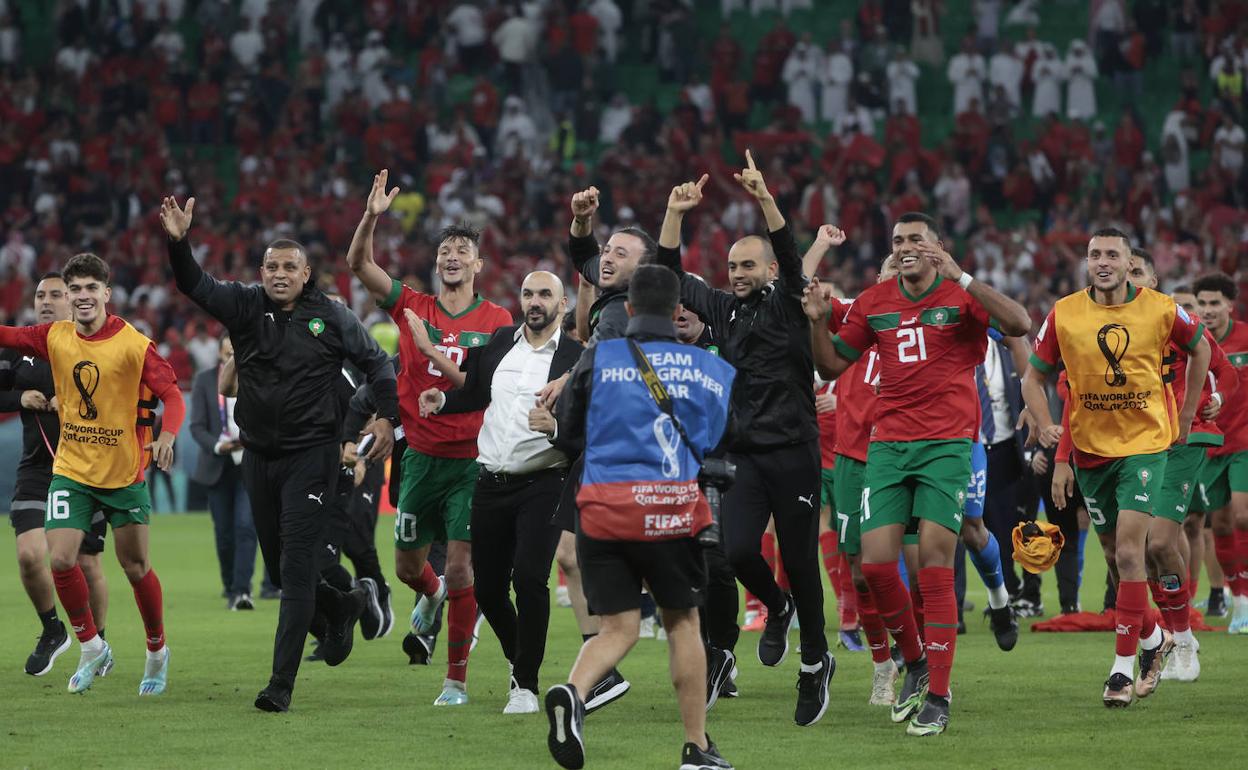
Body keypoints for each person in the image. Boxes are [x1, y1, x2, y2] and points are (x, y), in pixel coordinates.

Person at [163, 196, 397, 713]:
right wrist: (180, 243)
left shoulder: (332, 317)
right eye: (271, 265)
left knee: (293, 573)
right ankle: (345, 605)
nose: (279, 273)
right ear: (261, 272)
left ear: (307, 272)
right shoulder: (245, 306)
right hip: (259, 458)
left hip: (312, 457)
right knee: (283, 565)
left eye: (289, 266)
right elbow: (193, 285)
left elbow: (379, 366)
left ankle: (280, 686)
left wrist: (386, 417)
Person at [805, 211, 1031, 735]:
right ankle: (915, 660)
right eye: (898, 240)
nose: (906, 247)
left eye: (916, 240)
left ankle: (939, 696)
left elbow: (1018, 323)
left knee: (935, 557)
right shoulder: (874, 302)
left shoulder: (962, 296)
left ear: (937, 247)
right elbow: (833, 366)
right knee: (878, 567)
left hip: (947, 447)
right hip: (886, 447)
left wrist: (961, 275)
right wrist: (817, 320)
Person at [659, 156, 834, 729]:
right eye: (731, 266)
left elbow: (787, 250)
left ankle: (814, 661)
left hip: (794, 451)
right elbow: (666, 276)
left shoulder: (787, 301)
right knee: (735, 553)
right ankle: (777, 605)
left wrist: (764, 197)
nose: (736, 273)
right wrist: (673, 215)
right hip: (745, 456)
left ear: (768, 270)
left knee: (802, 561)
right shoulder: (724, 310)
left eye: (747, 265)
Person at [541, 264, 737, 770]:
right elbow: (725, 436)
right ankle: (697, 745)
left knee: (618, 627)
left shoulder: (598, 359)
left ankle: (573, 691)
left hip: (602, 512)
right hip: (669, 510)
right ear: (678, 312)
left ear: (627, 310)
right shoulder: (705, 367)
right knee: (682, 622)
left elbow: (566, 434)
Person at [1021, 229, 1210, 707]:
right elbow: (1034, 376)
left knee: (1131, 552)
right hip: (1090, 451)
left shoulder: (1162, 307)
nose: (1103, 261)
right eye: (1095, 254)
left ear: (1130, 264)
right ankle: (1154, 641)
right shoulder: (1064, 312)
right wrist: (1048, 428)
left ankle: (1121, 671)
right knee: (1113, 555)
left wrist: (1186, 414)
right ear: (1087, 262)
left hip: (1146, 447)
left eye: (1112, 254)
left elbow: (1201, 347)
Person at [344, 170, 511, 706]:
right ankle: (433, 596)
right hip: (419, 460)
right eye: (445, 250)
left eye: (462, 249)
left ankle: (455, 680)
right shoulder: (411, 304)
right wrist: (372, 215)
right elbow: (358, 266)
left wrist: (432, 351)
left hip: (472, 461)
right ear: (436, 263)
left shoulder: (498, 321)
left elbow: (484, 390)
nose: (452, 256)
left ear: (478, 265)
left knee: (462, 566)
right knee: (409, 569)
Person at [0, 254, 186, 697]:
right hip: (72, 471)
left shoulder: (134, 344)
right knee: (61, 559)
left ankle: (157, 651)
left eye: (89, 289)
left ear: (106, 293)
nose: (82, 297)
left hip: (122, 475)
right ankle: (90, 645)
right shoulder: (54, 336)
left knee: (135, 566)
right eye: (75, 289)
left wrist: (169, 436)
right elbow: (7, 334)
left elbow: (172, 395)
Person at [419, 271, 583, 714]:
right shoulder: (499, 344)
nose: (534, 301)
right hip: (490, 481)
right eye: (527, 292)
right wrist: (443, 402)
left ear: (562, 304)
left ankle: (525, 685)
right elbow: (474, 393)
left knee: (529, 578)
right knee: (488, 590)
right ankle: (520, 660)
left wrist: (556, 430)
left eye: (544, 294)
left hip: (544, 481)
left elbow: (590, 432)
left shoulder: (576, 359)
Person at [1127, 252, 1235, 682]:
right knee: (1133, 555)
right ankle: (1171, 635)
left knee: (1158, 543)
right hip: (1132, 444)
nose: (1129, 277)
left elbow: (1225, 372)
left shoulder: (1175, 321)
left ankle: (1185, 639)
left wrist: (1215, 401)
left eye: (1137, 270)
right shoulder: (1109, 326)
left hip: (1183, 441)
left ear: (1153, 278)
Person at [1, 272, 110, 676]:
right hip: (37, 469)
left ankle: (97, 642)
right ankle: (52, 631)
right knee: (30, 557)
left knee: (87, 564)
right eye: (40, 295)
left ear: (74, 302)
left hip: (88, 469)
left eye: (56, 295)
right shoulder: (19, 351)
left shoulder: (93, 345)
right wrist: (19, 397)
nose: (46, 301)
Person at [1189, 272, 1248, 633]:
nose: (1208, 310)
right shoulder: (1191, 339)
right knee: (1221, 524)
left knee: (1242, 516)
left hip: (1244, 443)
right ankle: (1239, 600)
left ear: (1230, 305)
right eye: (1202, 304)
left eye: (1215, 303)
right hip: (1209, 446)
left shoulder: (1245, 336)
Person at [190, 334, 260, 610]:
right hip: (216, 464)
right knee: (224, 533)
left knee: (246, 526)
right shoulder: (205, 380)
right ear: (219, 353)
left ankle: (243, 591)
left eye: (236, 351)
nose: (231, 357)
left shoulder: (256, 374)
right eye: (227, 352)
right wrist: (219, 446)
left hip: (249, 462)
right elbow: (196, 426)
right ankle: (231, 585)